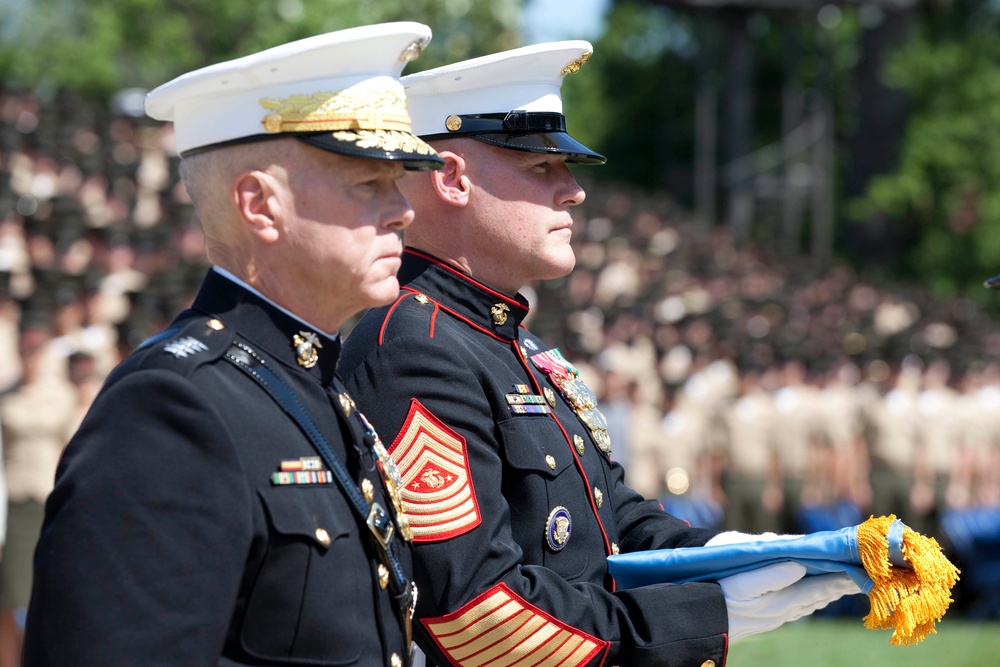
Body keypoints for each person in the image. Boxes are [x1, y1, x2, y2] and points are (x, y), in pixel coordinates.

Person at [339, 41, 860, 667]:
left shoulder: (508, 340)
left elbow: (609, 515)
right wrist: (700, 616)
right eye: (541, 169)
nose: (574, 192)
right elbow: (476, 616)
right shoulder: (413, 347)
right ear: (452, 178)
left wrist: (739, 553)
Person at [23, 22, 443, 666]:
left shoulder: (317, 388)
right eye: (367, 184)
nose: (402, 210)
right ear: (259, 205)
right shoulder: (173, 410)